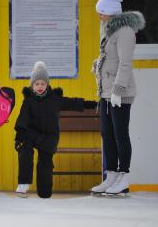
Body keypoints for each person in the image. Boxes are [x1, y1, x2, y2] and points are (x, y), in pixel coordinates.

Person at [14, 61, 97, 198]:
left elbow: (73, 103)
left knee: (45, 162)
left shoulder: (55, 99)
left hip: (48, 136)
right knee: (24, 149)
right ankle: (23, 184)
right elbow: (23, 118)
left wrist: (93, 104)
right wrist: (20, 136)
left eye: (42, 83)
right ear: (32, 85)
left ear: (47, 84)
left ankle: (45, 193)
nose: (40, 87)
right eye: (37, 84)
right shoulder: (28, 101)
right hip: (33, 134)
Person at [91, 0, 145, 195]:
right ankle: (111, 174)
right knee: (108, 134)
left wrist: (118, 90)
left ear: (112, 11)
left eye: (102, 11)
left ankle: (124, 176)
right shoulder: (108, 29)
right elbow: (110, 57)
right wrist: (99, 64)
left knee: (120, 134)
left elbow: (125, 64)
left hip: (120, 92)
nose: (99, 15)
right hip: (105, 91)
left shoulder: (125, 32)